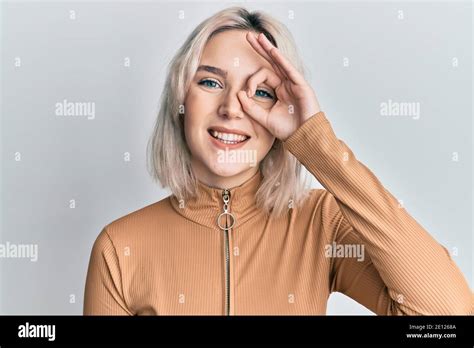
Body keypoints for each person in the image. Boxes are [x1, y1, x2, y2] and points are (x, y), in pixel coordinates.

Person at [83, 6, 472, 315]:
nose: (232, 109)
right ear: (181, 99)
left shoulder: (321, 223)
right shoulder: (121, 247)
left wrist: (315, 143)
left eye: (261, 92)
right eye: (211, 82)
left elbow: (447, 315)